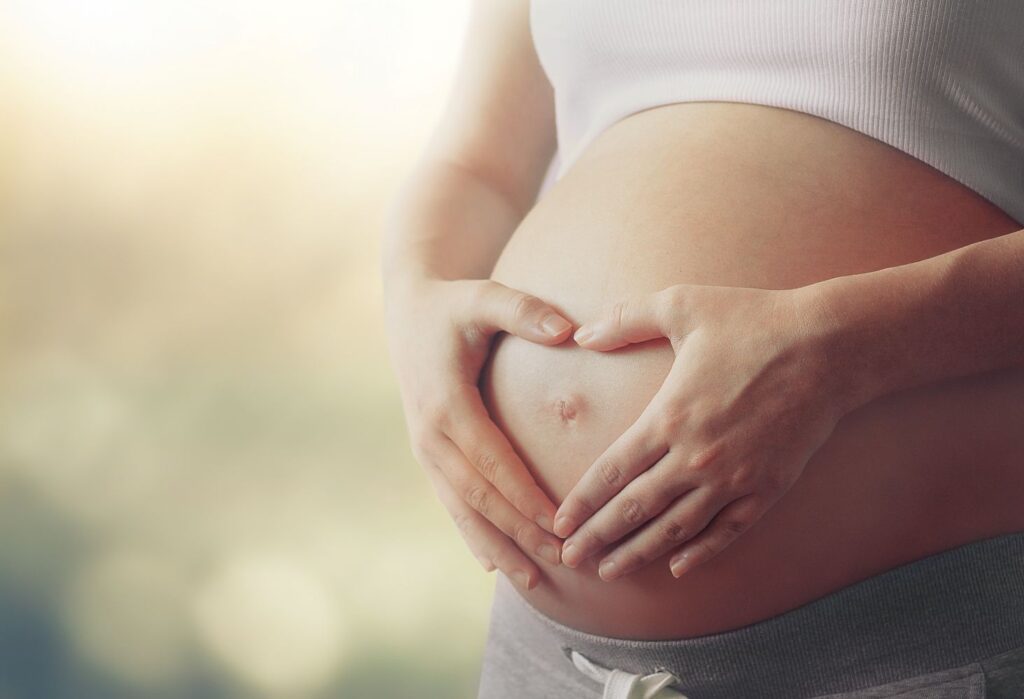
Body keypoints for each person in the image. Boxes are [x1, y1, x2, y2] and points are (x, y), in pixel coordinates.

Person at [381, 1, 1024, 696]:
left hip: (908, 651)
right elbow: (477, 163)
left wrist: (846, 349)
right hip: (548, 659)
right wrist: (414, 301)